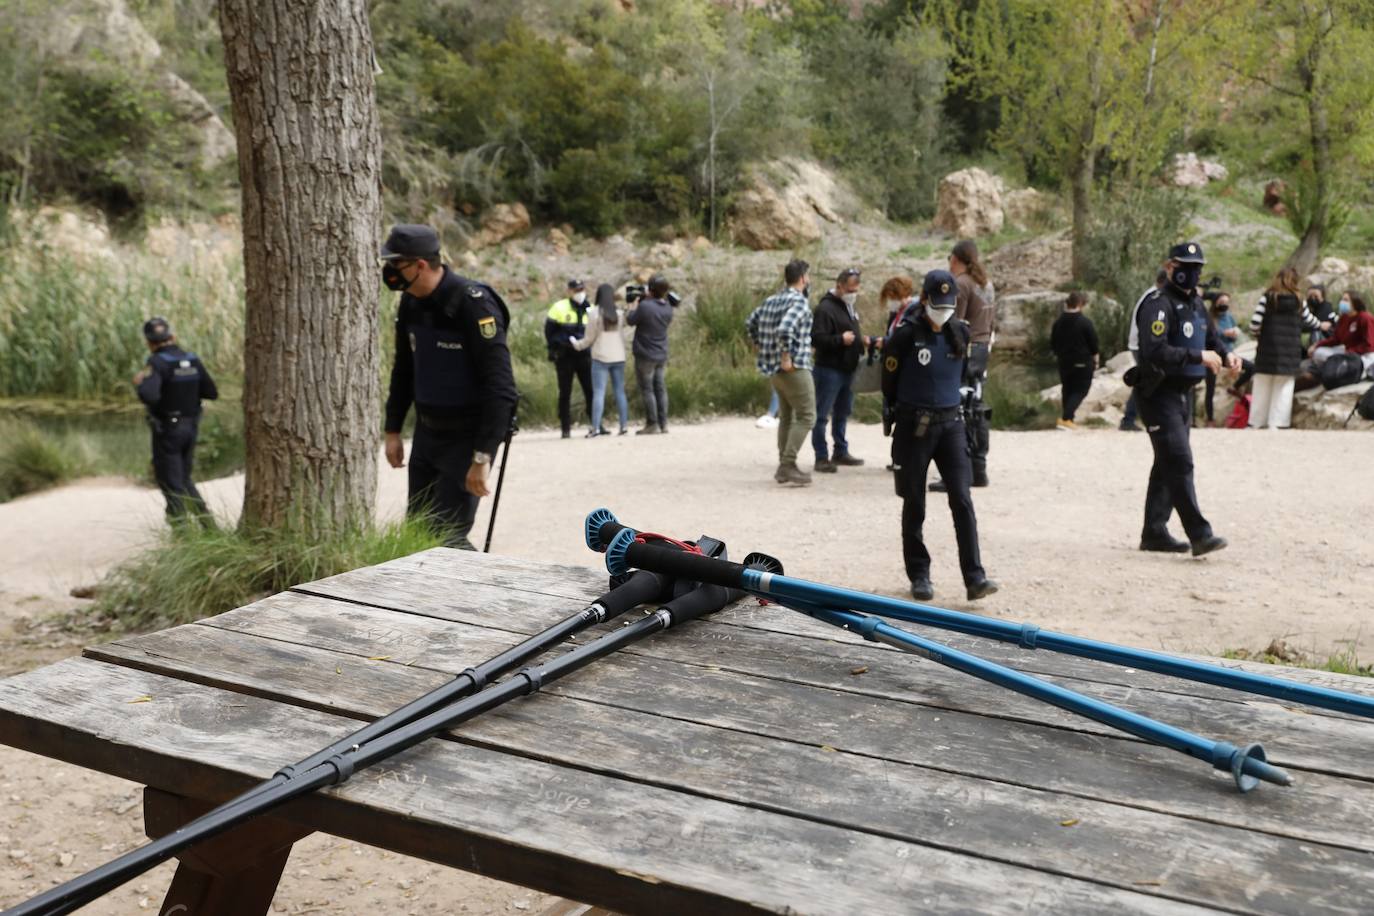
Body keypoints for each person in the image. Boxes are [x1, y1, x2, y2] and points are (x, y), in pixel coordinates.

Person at [381, 223, 518, 550]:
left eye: (396, 264)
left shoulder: (474, 305)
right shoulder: (411, 303)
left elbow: (501, 388)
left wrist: (482, 456)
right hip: (428, 435)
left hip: (467, 439)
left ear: (420, 265)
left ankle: (483, 594)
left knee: (446, 538)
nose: (389, 272)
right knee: (417, 534)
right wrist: (392, 429)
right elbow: (404, 370)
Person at [882, 270, 998, 601]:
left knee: (962, 500)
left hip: (951, 426)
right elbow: (888, 380)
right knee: (915, 501)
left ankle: (975, 578)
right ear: (924, 300)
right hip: (914, 427)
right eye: (938, 304)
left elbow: (962, 376)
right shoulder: (904, 336)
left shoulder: (959, 333)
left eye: (949, 305)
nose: (943, 310)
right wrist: (894, 413)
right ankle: (920, 575)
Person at [1129, 241, 1233, 556]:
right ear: (1169, 266)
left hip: (1182, 394)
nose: (1190, 273)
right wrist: (1197, 356)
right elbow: (1154, 350)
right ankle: (1199, 534)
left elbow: (1212, 338)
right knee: (1179, 459)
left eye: (1195, 268)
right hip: (1158, 391)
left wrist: (1228, 358)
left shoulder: (1196, 305)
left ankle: (1154, 532)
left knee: (1166, 462)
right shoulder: (1157, 304)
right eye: (1184, 266)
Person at [133, 316, 218, 526]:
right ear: (172, 336)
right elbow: (211, 392)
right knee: (184, 478)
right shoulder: (193, 359)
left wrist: (140, 383)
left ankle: (182, 532)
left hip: (168, 430)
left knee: (171, 482)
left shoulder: (158, 362)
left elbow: (150, 395)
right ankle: (208, 526)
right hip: (191, 426)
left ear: (149, 342)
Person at [929, 240, 994, 491]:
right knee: (976, 408)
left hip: (965, 350)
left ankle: (957, 472)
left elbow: (957, 324)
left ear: (955, 259)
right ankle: (979, 467)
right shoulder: (986, 284)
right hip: (983, 349)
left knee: (956, 411)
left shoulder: (962, 285)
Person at [747, 259, 817, 486]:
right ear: (803, 278)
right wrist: (786, 355)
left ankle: (784, 464)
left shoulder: (771, 300)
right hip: (793, 367)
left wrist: (761, 345)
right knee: (807, 416)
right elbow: (786, 328)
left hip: (772, 369)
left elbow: (751, 322)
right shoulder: (798, 302)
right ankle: (787, 464)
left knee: (787, 416)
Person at [811, 267, 875, 471]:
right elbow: (817, 339)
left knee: (842, 411)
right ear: (839, 286)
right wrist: (840, 340)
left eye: (856, 290)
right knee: (821, 414)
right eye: (850, 290)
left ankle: (840, 450)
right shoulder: (825, 309)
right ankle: (821, 456)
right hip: (829, 370)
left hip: (848, 369)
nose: (853, 294)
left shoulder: (848, 307)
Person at [1248, 266, 1322, 429]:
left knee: (1262, 384)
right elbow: (1310, 321)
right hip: (1289, 351)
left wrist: (1259, 335)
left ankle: (1256, 422)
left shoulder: (1267, 297)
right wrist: (1321, 325)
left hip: (1267, 350)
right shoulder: (1298, 300)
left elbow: (1254, 324)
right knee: (1284, 387)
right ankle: (1277, 423)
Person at [570, 283, 630, 437]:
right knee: (620, 392)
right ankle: (624, 426)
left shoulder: (594, 314)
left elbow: (589, 339)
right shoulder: (619, 314)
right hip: (618, 357)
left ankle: (595, 427)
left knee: (599, 393)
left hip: (601, 357)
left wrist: (576, 344)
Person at [1120, 269, 1169, 432]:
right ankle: (1129, 419)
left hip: (1140, 344)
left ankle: (1140, 418)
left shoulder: (1152, 295)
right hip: (1142, 346)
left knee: (1149, 381)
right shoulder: (1154, 297)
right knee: (1145, 382)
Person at [545, 279, 594, 439]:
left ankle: (595, 424)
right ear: (569, 291)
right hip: (565, 356)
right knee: (565, 392)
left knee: (590, 390)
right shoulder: (559, 307)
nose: (579, 293)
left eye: (581, 289)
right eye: (576, 290)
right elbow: (549, 332)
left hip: (585, 355)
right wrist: (557, 346)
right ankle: (565, 428)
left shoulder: (590, 309)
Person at [626, 275, 675, 435]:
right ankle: (663, 423)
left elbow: (631, 320)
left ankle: (652, 423)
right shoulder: (667, 307)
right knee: (660, 388)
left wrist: (633, 305)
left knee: (647, 389)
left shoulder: (645, 307)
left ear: (651, 289)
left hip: (645, 354)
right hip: (661, 353)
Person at [1203, 292, 1255, 424]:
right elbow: (1210, 336)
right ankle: (1210, 419)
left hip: (1229, 354)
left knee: (1251, 367)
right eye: (1222, 302)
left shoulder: (1229, 317)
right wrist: (1223, 333)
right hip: (1213, 355)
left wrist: (1234, 334)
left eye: (1227, 302)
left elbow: (1235, 333)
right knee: (1210, 387)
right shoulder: (1209, 318)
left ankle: (1235, 387)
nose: (1224, 305)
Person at [1050, 291, 1099, 429]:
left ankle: (1069, 419)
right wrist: (1096, 358)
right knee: (1081, 389)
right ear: (1080, 304)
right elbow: (1093, 343)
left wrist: (1058, 354)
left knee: (1067, 389)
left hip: (1064, 361)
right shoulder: (1085, 322)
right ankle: (1066, 417)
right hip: (1082, 361)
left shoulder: (1058, 322)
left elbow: (1053, 342)